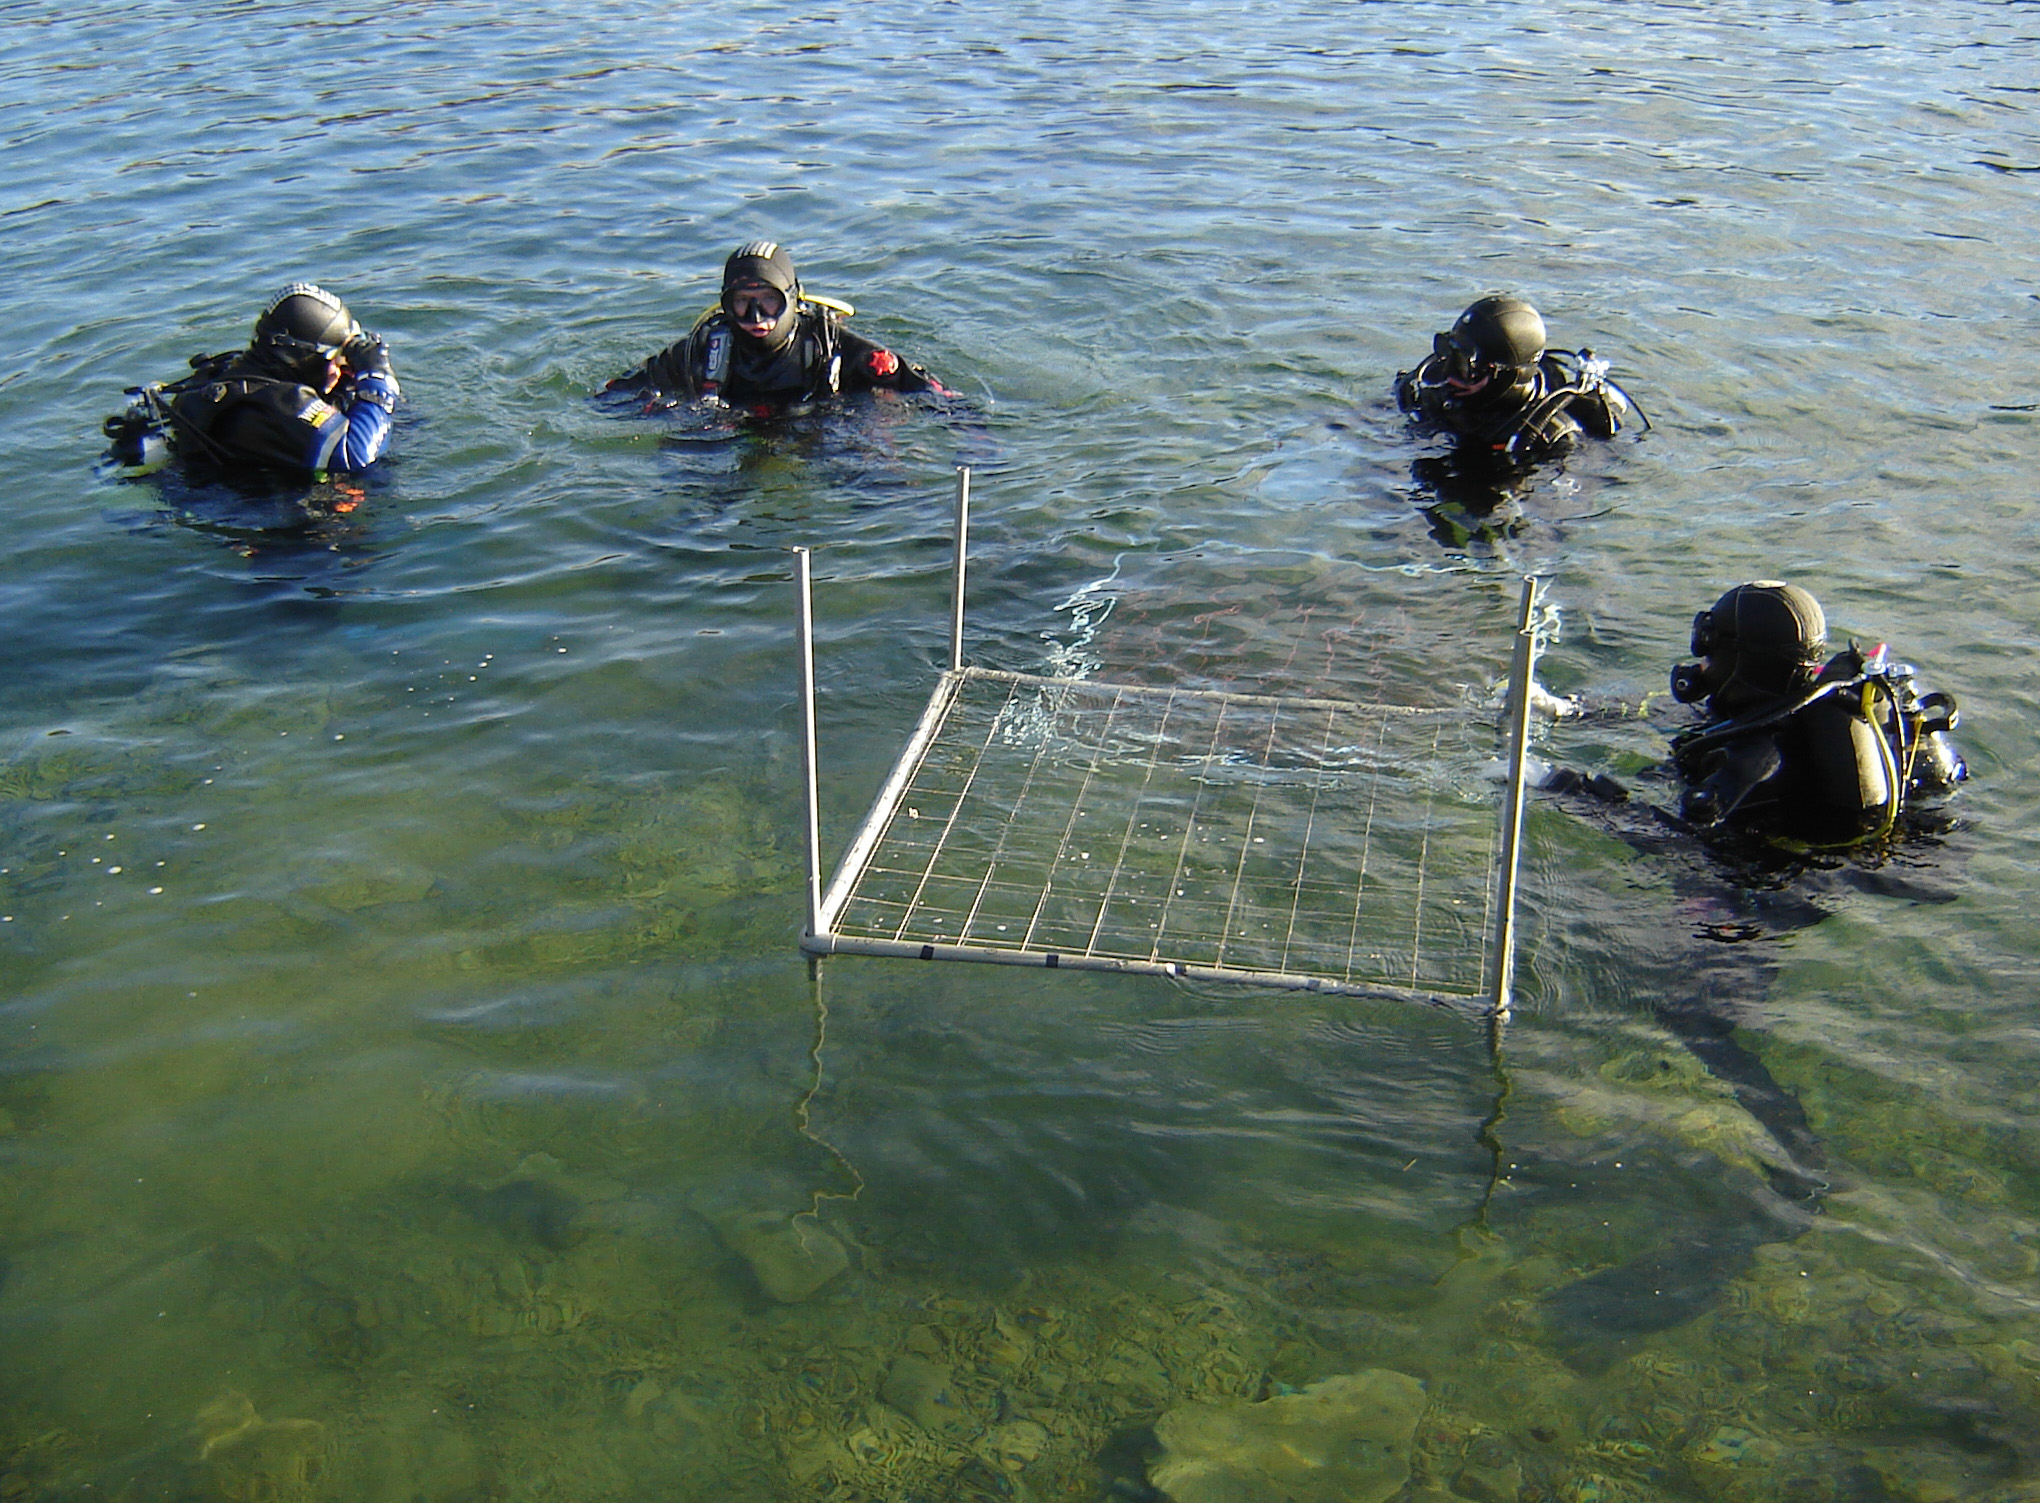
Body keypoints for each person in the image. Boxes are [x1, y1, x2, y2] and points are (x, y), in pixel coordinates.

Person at [1666, 581, 1966, 847]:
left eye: (1709, 648)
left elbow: (1685, 830)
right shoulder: (1818, 708)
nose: (1702, 662)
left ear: (1739, 660)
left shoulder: (1751, 756)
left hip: (1790, 878)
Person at [604, 241, 945, 413]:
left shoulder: (830, 345)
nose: (756, 316)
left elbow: (936, 396)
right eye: (742, 302)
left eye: (768, 301)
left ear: (793, 299)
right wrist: (658, 409)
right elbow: (613, 397)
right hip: (731, 430)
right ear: (726, 305)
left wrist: (973, 435)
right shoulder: (704, 348)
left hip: (822, 426)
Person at [101, 284, 400, 476]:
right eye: (335, 357)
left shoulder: (242, 372)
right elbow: (357, 456)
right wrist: (377, 381)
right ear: (299, 356)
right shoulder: (280, 404)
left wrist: (352, 379)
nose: (339, 367)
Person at [1395, 294, 1640, 467]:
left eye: (1464, 366)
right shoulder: (1437, 388)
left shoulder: (1551, 439)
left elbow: (1555, 522)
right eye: (1449, 352)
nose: (1448, 374)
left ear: (1507, 377)